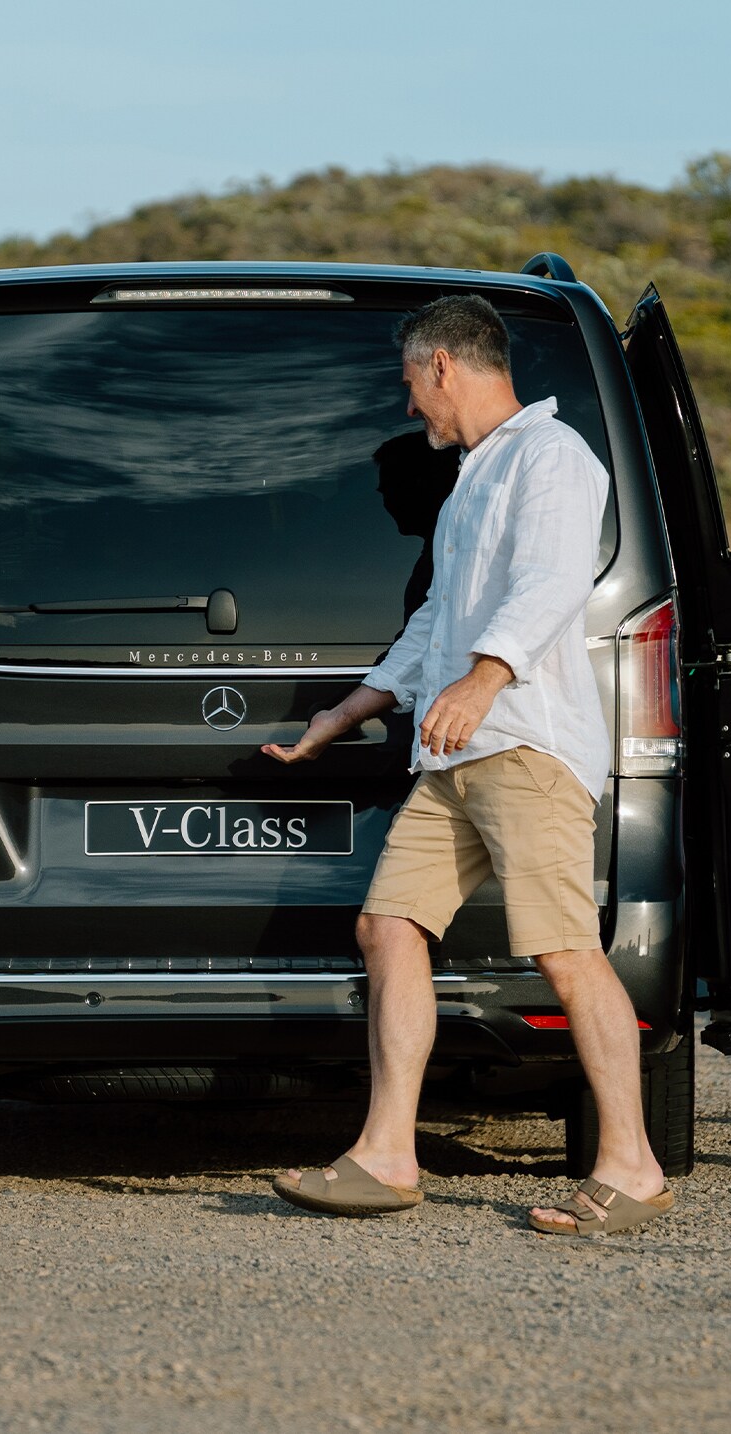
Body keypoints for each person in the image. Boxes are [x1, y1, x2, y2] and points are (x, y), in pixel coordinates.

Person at [262, 295, 661, 1235]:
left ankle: (633, 1168)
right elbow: (437, 618)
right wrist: (347, 710)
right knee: (389, 927)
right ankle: (387, 1156)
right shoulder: (474, 480)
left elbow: (555, 581)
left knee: (565, 951)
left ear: (444, 365)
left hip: (525, 745)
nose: (410, 407)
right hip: (454, 756)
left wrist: (486, 681)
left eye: (410, 383)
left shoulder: (553, 458)